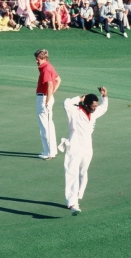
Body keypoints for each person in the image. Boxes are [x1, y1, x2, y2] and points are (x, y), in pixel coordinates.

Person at [62, 87, 108, 215]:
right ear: (86, 104)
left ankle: (77, 196)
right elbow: (65, 103)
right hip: (74, 145)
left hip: (87, 146)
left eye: (96, 105)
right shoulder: (74, 111)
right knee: (72, 173)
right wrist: (79, 98)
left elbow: (103, 108)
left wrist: (104, 96)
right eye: (93, 106)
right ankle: (73, 203)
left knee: (83, 173)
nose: (95, 108)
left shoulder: (93, 112)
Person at [34, 49, 61, 160]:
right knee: (49, 125)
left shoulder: (45, 68)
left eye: (38, 59)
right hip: (46, 97)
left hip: (44, 98)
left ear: (43, 58)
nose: (36, 61)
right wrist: (51, 95)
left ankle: (48, 152)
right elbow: (58, 80)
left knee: (45, 127)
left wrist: (48, 99)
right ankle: (52, 151)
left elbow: (50, 85)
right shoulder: (49, 66)